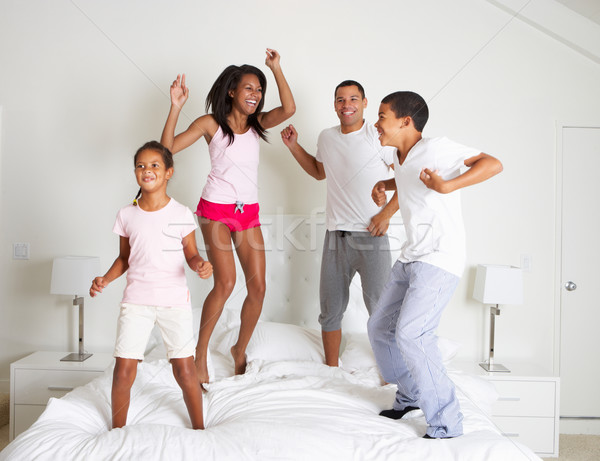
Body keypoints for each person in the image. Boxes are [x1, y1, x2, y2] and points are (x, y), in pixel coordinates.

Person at [368, 91, 503, 439]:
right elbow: (408, 180)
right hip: (411, 256)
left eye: (382, 116)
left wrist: (447, 185)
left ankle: (446, 422)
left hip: (440, 257)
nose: (376, 122)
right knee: (380, 328)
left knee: (412, 334)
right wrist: (385, 185)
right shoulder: (399, 155)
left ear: (405, 122)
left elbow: (492, 163)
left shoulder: (438, 148)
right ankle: (411, 394)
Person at [161, 49, 295, 385]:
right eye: (249, 88)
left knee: (259, 287)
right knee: (226, 282)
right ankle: (199, 354)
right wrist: (176, 107)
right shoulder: (211, 124)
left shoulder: (257, 124)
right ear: (232, 91)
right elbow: (166, 149)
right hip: (215, 212)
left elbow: (289, 109)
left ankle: (239, 349)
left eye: (259, 90)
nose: (256, 95)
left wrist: (275, 68)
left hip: (247, 213)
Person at [90, 141, 213, 430]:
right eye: (141, 166)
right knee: (123, 371)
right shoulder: (126, 214)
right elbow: (124, 258)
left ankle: (201, 429)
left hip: (174, 303)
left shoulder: (181, 213)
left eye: (155, 165)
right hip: (136, 302)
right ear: (135, 172)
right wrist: (105, 280)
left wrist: (200, 266)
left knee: (184, 370)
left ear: (168, 172)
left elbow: (192, 254)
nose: (147, 170)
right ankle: (117, 432)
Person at [280, 80, 398, 366]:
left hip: (371, 237)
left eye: (353, 99)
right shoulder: (326, 137)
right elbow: (319, 172)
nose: (347, 105)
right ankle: (331, 371)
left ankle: (390, 374)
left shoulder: (378, 136)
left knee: (380, 311)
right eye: (341, 100)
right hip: (336, 237)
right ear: (335, 105)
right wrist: (294, 147)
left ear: (365, 103)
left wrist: (386, 214)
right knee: (330, 310)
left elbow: (407, 180)